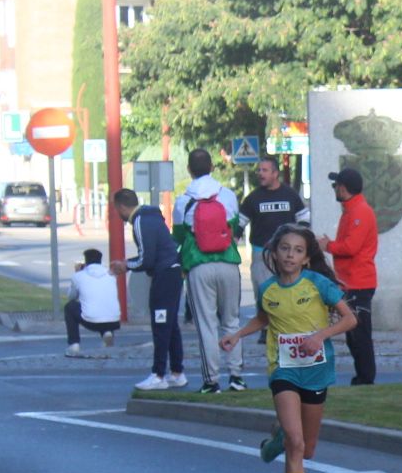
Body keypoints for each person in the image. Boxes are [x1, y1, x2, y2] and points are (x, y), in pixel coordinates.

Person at [221, 224, 356, 473]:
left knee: (306, 449)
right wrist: (238, 334)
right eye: (284, 249)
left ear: (307, 257)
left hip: (316, 371)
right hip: (283, 370)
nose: (290, 256)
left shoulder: (319, 284)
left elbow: (350, 319)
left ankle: (277, 439)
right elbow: (265, 318)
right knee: (297, 444)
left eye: (297, 250)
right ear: (274, 253)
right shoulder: (268, 289)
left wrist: (319, 336)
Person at [173, 147, 248, 392]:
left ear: (189, 170)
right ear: (212, 168)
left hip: (198, 265)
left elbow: (178, 238)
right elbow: (235, 227)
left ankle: (211, 381)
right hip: (228, 263)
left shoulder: (183, 201)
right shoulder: (227, 196)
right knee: (232, 321)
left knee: (206, 324)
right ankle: (236, 376)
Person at [121, 189, 189, 391]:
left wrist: (125, 265)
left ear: (122, 207)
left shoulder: (141, 222)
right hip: (172, 273)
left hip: (164, 275)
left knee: (161, 324)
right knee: (170, 325)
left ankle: (158, 374)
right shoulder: (152, 217)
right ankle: (177, 372)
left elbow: (146, 258)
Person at [320, 167, 378, 386]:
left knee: (359, 334)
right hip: (351, 281)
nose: (334, 189)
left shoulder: (359, 212)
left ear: (343, 188)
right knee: (354, 334)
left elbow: (351, 247)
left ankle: (365, 378)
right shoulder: (352, 210)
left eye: (336, 186)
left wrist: (328, 246)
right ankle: (362, 376)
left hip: (358, 282)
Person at [243, 155, 306, 298]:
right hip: (261, 253)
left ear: (275, 173)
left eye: (264, 170)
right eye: (259, 170)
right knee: (264, 295)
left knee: (288, 294)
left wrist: (300, 242)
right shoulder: (253, 198)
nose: (260, 173)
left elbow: (304, 220)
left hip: (287, 253)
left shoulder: (290, 195)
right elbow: (239, 225)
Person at [64, 248, 122, 356]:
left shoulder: (79, 276)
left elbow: (71, 297)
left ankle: (74, 344)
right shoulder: (111, 275)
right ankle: (107, 332)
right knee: (103, 303)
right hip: (114, 321)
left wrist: (77, 273)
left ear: (86, 261)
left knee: (69, 307)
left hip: (91, 321)